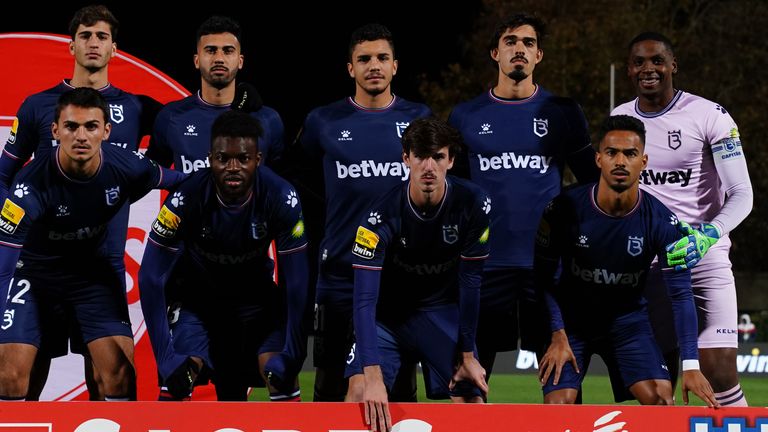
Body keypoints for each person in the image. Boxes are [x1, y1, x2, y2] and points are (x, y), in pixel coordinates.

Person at [0, 4, 162, 400]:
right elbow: (6, 173)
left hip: (101, 267)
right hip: (39, 265)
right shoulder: (38, 105)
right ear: (71, 45)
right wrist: (14, 220)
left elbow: (187, 134)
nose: (93, 43)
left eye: (102, 36)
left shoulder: (139, 108)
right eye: (86, 35)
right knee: (15, 378)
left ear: (114, 49)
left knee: (117, 379)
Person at [447, 13, 598, 380]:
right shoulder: (464, 116)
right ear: (494, 53)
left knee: (562, 386)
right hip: (483, 268)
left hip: (547, 271)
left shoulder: (563, 113)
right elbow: (457, 195)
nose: (519, 49)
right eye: (511, 41)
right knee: (469, 385)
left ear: (539, 56)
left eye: (528, 43)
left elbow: (592, 183)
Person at [534, 115, 717, 407]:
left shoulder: (662, 221)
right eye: (612, 153)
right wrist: (556, 333)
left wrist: (691, 366)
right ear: (598, 159)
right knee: (559, 408)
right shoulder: (562, 209)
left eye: (630, 154)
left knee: (661, 400)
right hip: (571, 324)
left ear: (643, 161)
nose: (620, 161)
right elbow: (544, 277)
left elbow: (681, 294)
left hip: (627, 323)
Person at [612, 32, 753, 406]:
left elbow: (742, 194)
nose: (649, 69)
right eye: (639, 62)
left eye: (657, 60)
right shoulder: (620, 118)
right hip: (648, 263)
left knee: (718, 372)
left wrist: (707, 235)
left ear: (672, 65)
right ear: (629, 70)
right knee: (656, 385)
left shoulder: (709, 114)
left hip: (704, 257)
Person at [291, 23, 431, 402]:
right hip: (338, 273)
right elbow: (298, 179)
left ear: (395, 66)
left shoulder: (419, 118)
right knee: (329, 388)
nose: (374, 66)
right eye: (364, 59)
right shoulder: (323, 121)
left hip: (398, 278)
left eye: (382, 58)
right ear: (350, 68)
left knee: (399, 389)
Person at [138, 110, 308, 402]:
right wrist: (165, 359)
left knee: (282, 377)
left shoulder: (281, 196)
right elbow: (150, 277)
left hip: (257, 307)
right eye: (222, 158)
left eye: (242, 159)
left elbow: (297, 282)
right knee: (175, 383)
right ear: (210, 159)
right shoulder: (185, 197)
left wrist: (293, 351)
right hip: (198, 305)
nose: (232, 167)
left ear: (258, 160)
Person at [346, 118, 489, 432]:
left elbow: (470, 282)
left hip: (440, 314)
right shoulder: (377, 216)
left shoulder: (474, 205)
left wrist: (467, 353)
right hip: (387, 318)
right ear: (405, 158)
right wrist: (372, 376)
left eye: (437, 157)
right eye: (420, 156)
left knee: (473, 404)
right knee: (359, 394)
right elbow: (364, 300)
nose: (429, 166)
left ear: (450, 160)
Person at [147, 15, 283, 172]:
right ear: (196, 60)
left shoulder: (268, 119)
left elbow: (279, 182)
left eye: (228, 51)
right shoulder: (170, 116)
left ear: (240, 61)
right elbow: (150, 175)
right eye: (211, 50)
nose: (219, 58)